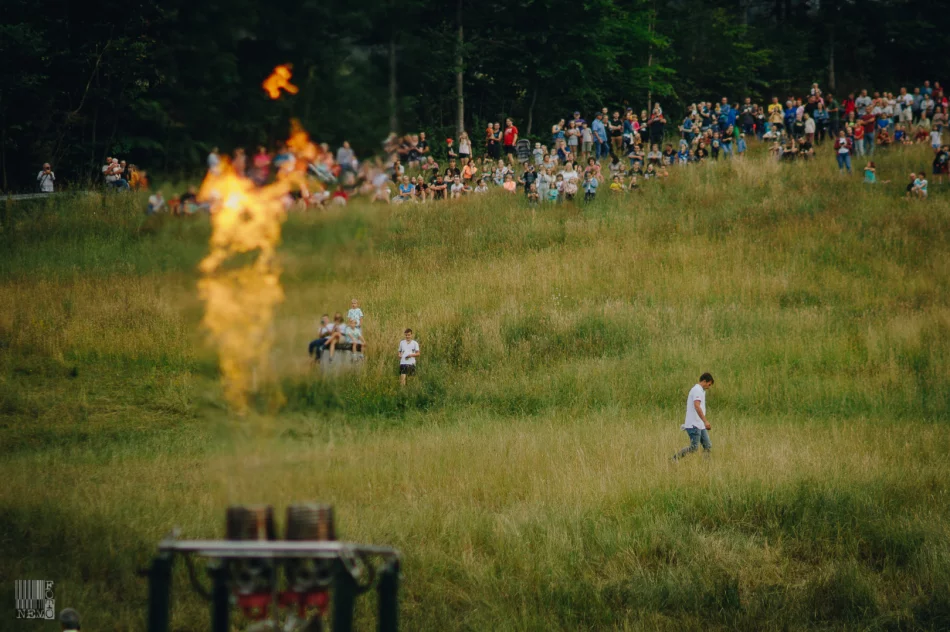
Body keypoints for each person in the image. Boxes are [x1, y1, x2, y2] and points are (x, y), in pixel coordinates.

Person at [672, 373, 714, 461]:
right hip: (694, 424)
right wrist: (705, 421)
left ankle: (707, 465)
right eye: (709, 384)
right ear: (704, 381)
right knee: (694, 447)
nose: (709, 387)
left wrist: (703, 422)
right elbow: (697, 406)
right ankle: (674, 459)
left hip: (700, 424)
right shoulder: (697, 390)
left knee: (707, 445)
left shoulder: (701, 391)